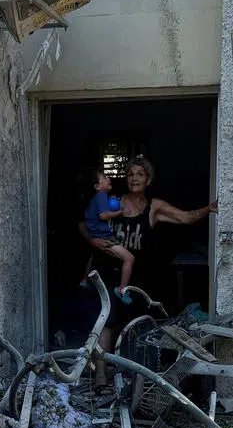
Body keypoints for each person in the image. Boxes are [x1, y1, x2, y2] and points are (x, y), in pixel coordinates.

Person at [77, 155, 218, 385]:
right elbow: (83, 225)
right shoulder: (113, 202)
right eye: (131, 174)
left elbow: (184, 217)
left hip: (135, 275)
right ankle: (101, 375)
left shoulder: (154, 208)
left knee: (136, 323)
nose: (134, 178)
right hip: (106, 270)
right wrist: (94, 243)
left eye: (140, 174)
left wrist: (209, 209)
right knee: (106, 321)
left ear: (148, 179)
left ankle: (132, 376)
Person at [80, 169, 135, 303]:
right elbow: (103, 216)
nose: (109, 179)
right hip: (104, 238)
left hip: (95, 235)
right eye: (105, 178)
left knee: (94, 256)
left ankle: (84, 280)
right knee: (129, 258)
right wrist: (120, 212)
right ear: (97, 186)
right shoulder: (101, 196)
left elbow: (90, 217)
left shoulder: (96, 199)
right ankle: (121, 290)